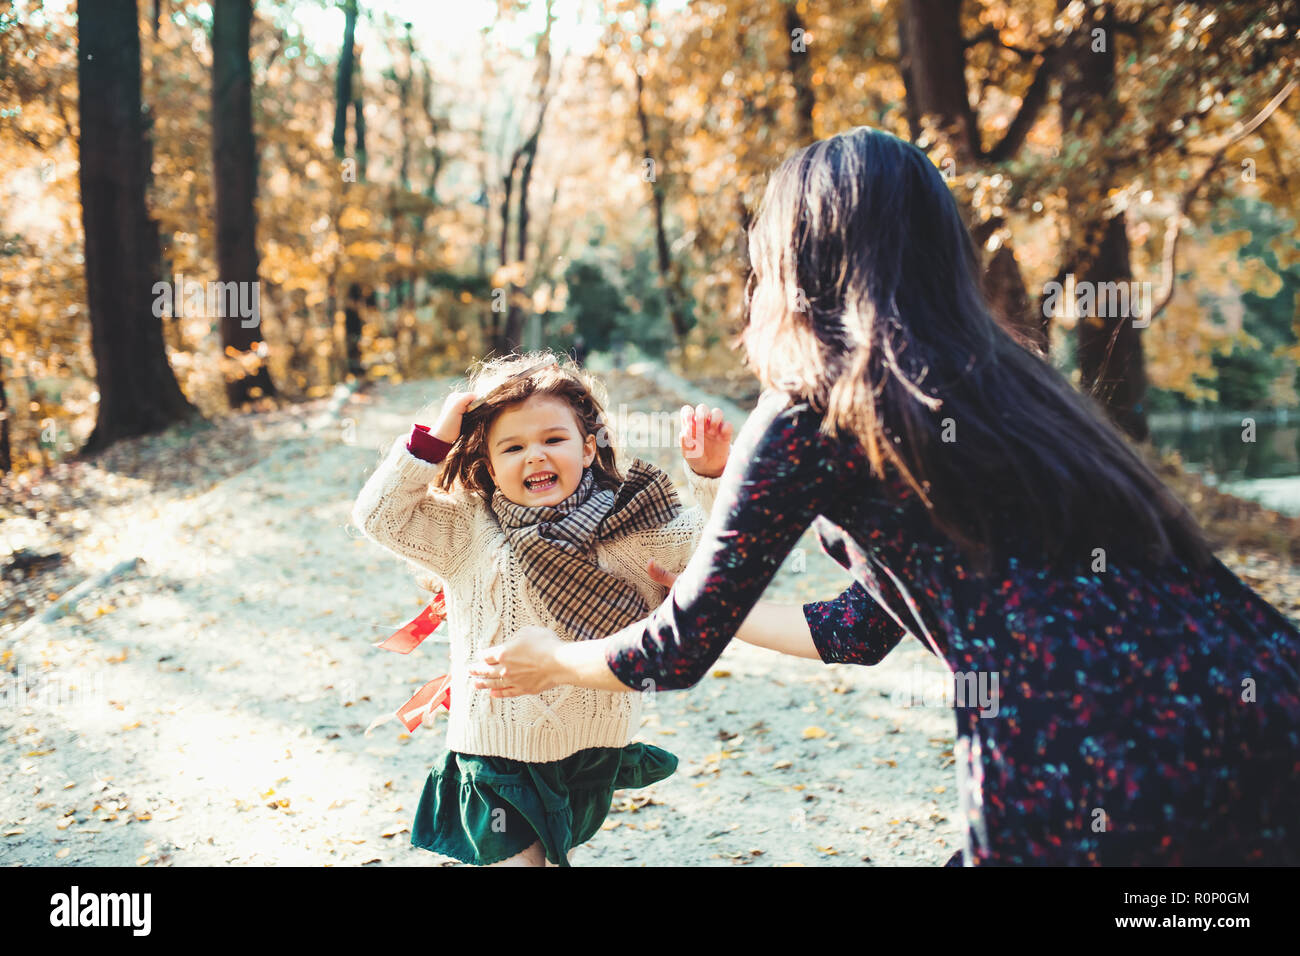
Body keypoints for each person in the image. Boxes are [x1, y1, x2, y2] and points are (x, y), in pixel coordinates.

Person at [469, 127, 1300, 865]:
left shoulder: (808, 412)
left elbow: (680, 654)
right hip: (1263, 704)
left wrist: (555, 661)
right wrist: (677, 592)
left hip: (1087, 746)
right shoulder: (1012, 387)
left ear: (792, 260)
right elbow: (860, 630)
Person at [350, 351, 734, 866]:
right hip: (495, 748)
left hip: (591, 746)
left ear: (588, 446)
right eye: (513, 446)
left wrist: (711, 474)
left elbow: (721, 552)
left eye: (553, 440)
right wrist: (432, 441)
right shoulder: (469, 529)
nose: (535, 455)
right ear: (487, 463)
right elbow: (379, 517)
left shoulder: (627, 524)